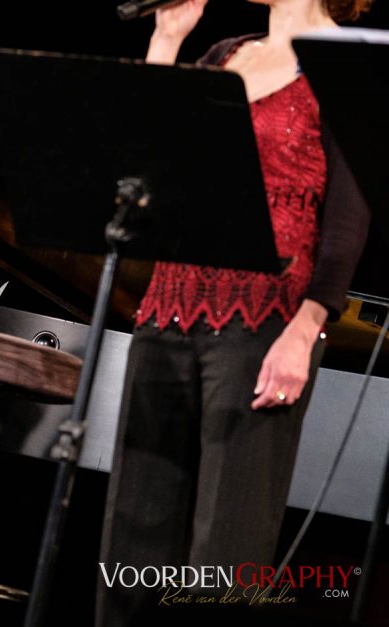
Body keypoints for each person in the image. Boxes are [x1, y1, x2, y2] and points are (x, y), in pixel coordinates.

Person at [97, 1, 372, 625]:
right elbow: (145, 169)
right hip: (168, 307)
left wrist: (305, 331)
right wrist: (166, 40)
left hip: (265, 321)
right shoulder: (226, 54)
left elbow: (350, 219)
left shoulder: (349, 63)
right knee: (132, 537)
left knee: (224, 554)